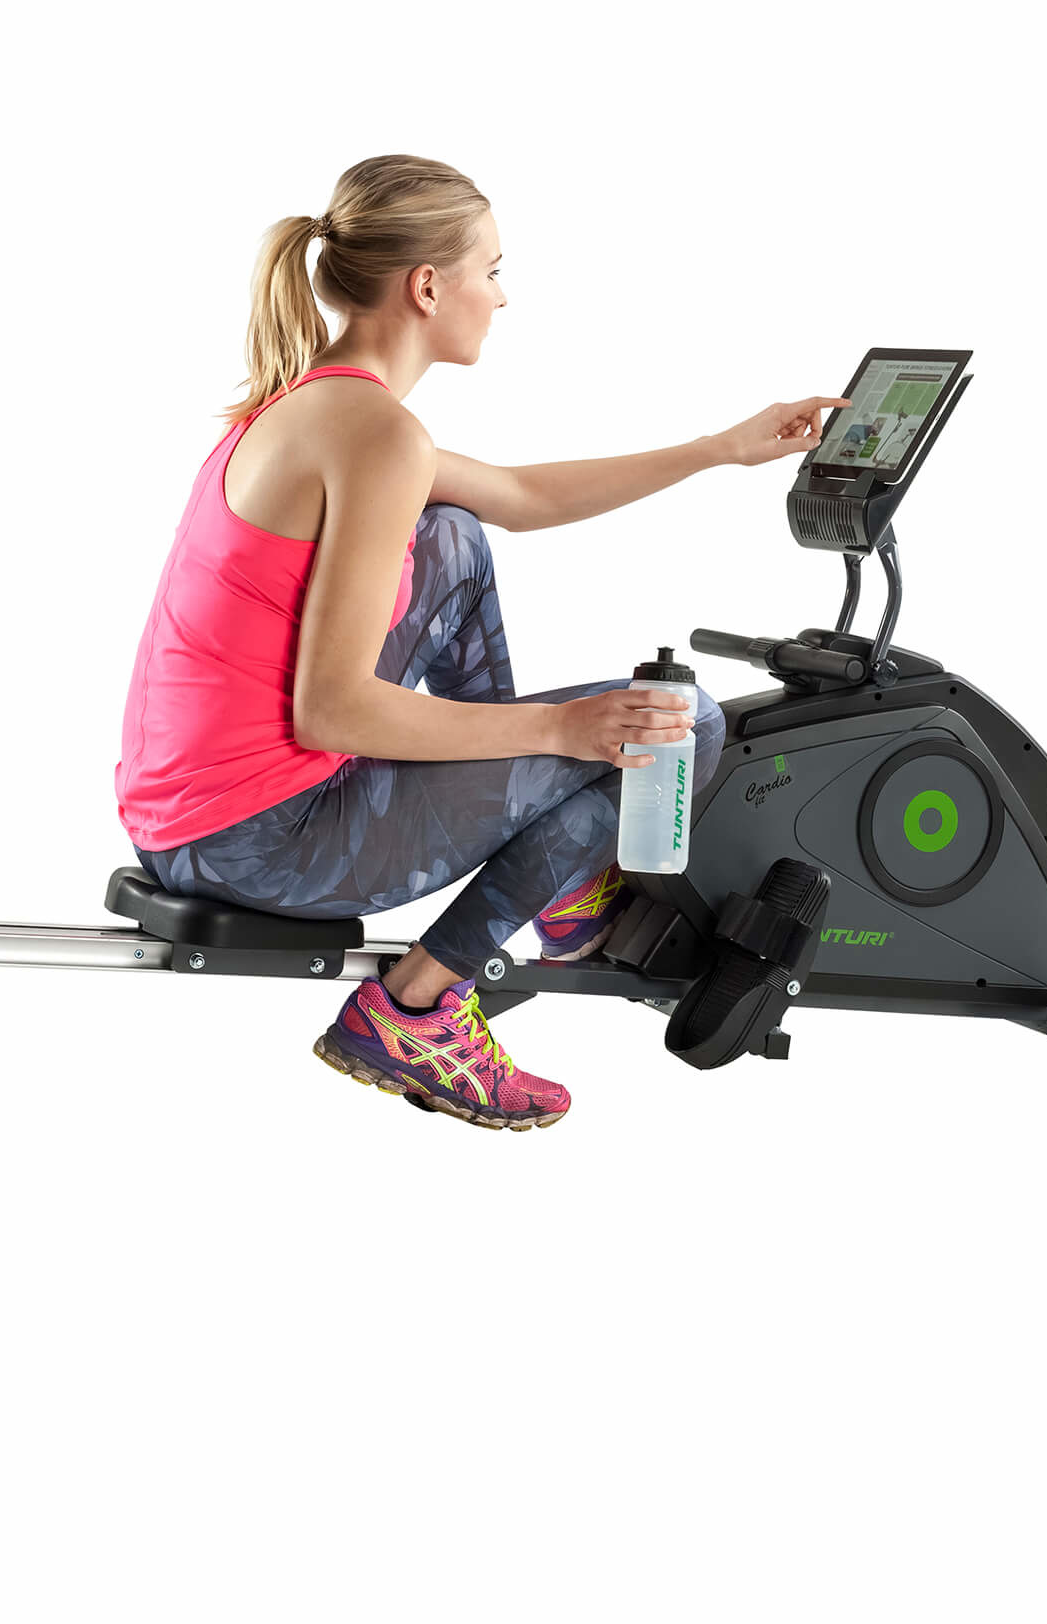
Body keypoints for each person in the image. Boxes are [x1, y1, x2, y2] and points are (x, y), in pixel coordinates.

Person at [114, 154, 849, 1132]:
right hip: (255, 845)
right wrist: (562, 731)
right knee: (682, 723)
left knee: (452, 537)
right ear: (428, 287)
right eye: (493, 271)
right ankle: (417, 1006)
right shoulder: (378, 435)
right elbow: (331, 709)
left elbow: (519, 496)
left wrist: (720, 448)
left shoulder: (315, 402)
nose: (502, 297)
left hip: (190, 823)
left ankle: (557, 876)